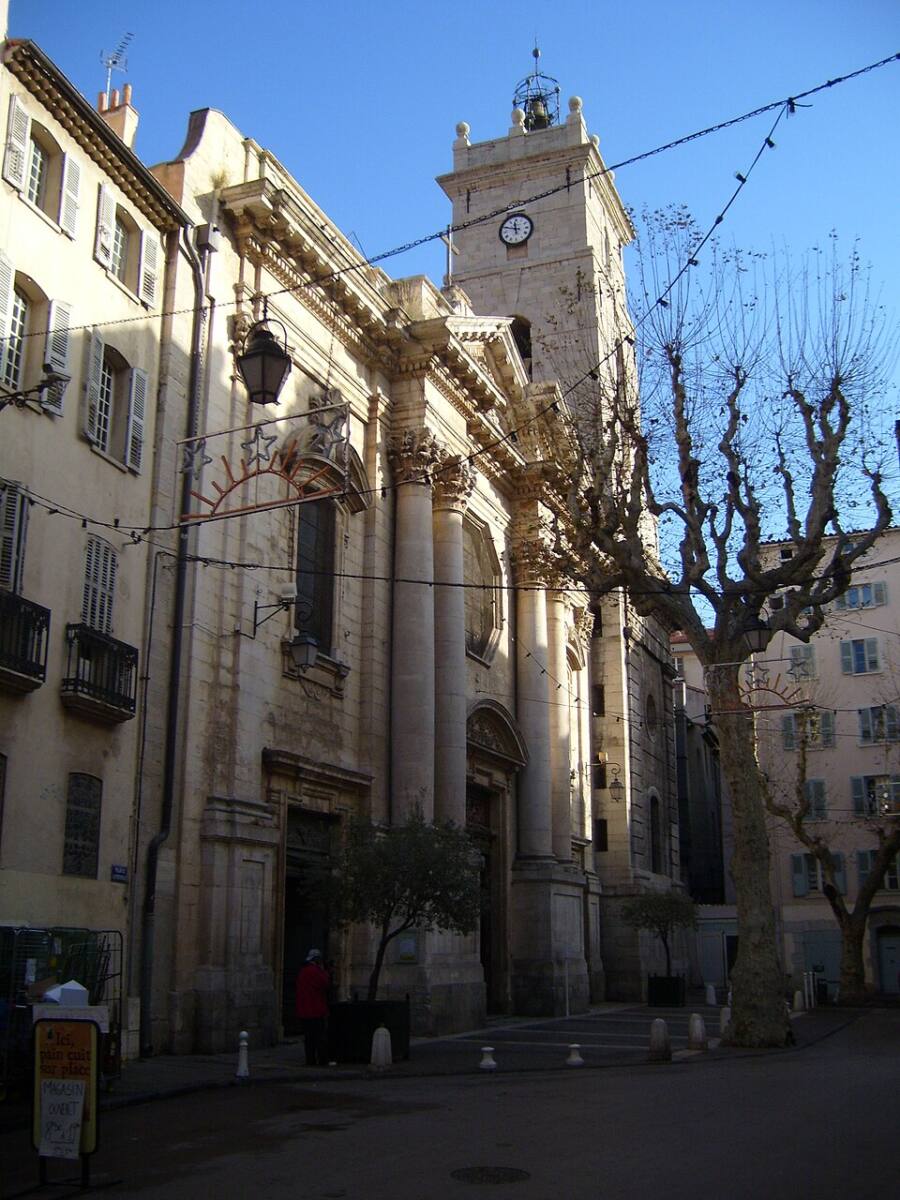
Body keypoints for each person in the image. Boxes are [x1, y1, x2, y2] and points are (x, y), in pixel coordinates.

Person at [295, 949, 330, 1066]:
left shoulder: (302, 972)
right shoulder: (317, 972)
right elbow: (325, 983)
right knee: (320, 1037)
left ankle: (310, 1060)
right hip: (316, 1010)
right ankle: (322, 1060)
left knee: (309, 1038)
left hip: (304, 1011)